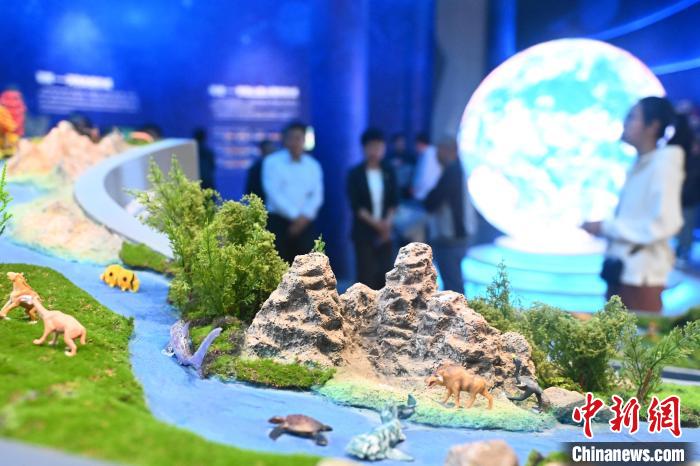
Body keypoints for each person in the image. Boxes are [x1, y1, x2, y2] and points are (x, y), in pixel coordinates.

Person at [583, 96, 691, 312]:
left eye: (632, 117)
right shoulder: (644, 163)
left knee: (638, 333)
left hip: (641, 277)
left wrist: (606, 227)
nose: (625, 123)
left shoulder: (663, 165)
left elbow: (665, 223)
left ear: (652, 126)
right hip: (623, 272)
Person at [262, 122, 323, 263]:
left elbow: (316, 196)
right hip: (278, 222)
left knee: (306, 269)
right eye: (291, 138)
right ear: (285, 140)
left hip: (305, 224)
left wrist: (303, 218)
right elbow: (273, 193)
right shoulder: (272, 162)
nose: (295, 142)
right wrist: (295, 216)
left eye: (299, 138)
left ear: (304, 140)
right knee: (279, 266)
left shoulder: (313, 165)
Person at [347, 128, 399, 289]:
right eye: (371, 147)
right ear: (364, 148)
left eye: (379, 147)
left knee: (387, 277)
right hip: (364, 232)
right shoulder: (355, 174)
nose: (375, 151)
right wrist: (377, 225)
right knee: (366, 278)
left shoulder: (389, 171)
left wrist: (387, 224)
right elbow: (356, 206)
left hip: (386, 233)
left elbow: (394, 201)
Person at [424, 138, 469, 293]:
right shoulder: (462, 169)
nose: (436, 156)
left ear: (448, 150)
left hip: (450, 236)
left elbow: (432, 202)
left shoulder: (452, 171)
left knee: (453, 286)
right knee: (454, 281)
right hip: (460, 235)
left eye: (438, 151)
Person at [411, 132, 442, 201]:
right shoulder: (425, 154)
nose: (415, 147)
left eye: (416, 144)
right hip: (423, 194)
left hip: (425, 195)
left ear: (420, 144)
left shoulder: (429, 155)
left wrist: (415, 188)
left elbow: (425, 177)